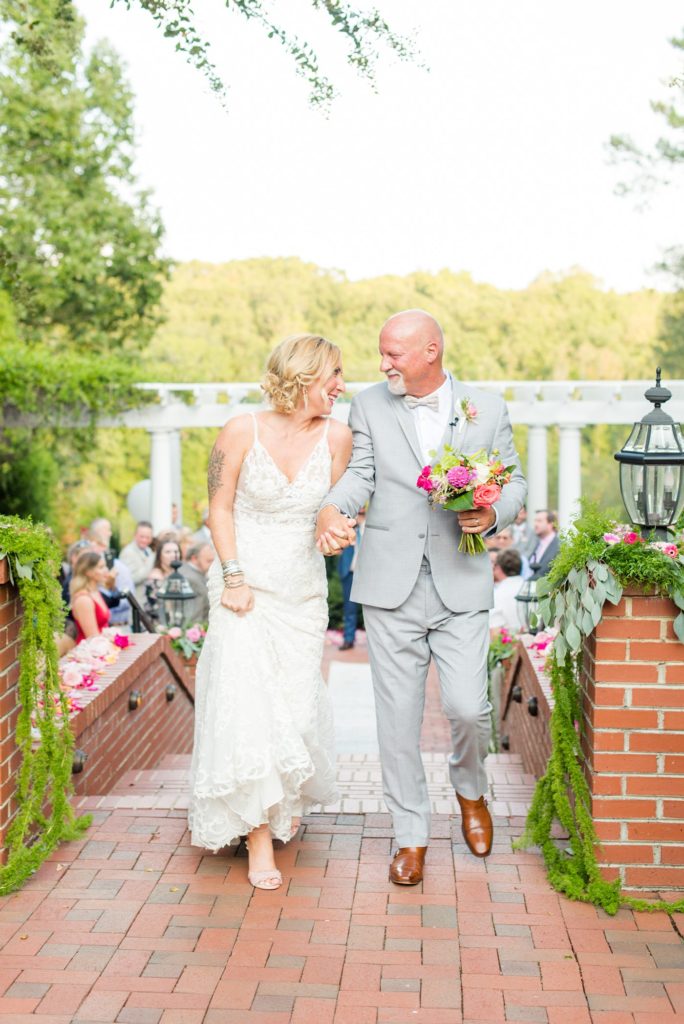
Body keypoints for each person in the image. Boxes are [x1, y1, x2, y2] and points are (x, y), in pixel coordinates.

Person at [316, 309, 526, 883]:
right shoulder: (368, 405)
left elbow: (513, 481)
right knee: (397, 720)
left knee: (467, 707)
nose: (383, 363)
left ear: (431, 351)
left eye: (395, 354)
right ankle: (410, 835)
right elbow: (362, 473)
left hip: (461, 580)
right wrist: (335, 505)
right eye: (382, 352)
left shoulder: (488, 406)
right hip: (390, 583)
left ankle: (471, 790)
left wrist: (493, 511)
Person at [188, 333, 352, 890]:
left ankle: (276, 802)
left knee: (297, 709)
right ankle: (259, 837)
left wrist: (335, 532)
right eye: (333, 373)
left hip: (302, 593)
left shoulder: (339, 436)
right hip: (243, 585)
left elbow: (334, 511)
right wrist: (233, 575)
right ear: (303, 375)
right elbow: (218, 507)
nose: (341, 385)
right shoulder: (241, 430)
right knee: (248, 704)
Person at [337, 507, 365, 650]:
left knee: (374, 612)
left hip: (368, 575)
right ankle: (348, 639)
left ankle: (377, 644)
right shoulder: (350, 527)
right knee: (349, 609)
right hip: (350, 573)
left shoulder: (371, 530)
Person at [70, 550, 111, 643]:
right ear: (88, 572)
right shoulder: (83, 599)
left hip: (103, 646)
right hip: (91, 652)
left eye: (105, 566)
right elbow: (93, 637)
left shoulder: (95, 592)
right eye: (101, 567)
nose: (106, 570)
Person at [145, 538, 181, 624]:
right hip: (159, 625)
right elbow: (156, 608)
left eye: (176, 551)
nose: (173, 555)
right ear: (159, 555)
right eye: (168, 552)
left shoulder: (178, 574)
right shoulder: (155, 578)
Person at [490, 548, 524, 635]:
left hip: (510, 644)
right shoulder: (533, 588)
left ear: (498, 568)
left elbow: (495, 632)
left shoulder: (496, 595)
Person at [120, 521, 155, 604]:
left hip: (147, 600)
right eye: (141, 536)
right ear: (135, 535)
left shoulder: (148, 550)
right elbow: (130, 579)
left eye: (148, 537)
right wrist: (150, 565)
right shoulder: (128, 552)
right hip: (135, 602)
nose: (144, 540)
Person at [179, 542, 214, 624]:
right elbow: (194, 616)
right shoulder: (191, 579)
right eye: (209, 561)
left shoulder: (191, 572)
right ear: (194, 558)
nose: (212, 565)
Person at [528, 509, 560, 581]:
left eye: (539, 521)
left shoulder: (559, 546)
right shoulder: (535, 543)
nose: (535, 524)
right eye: (535, 521)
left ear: (551, 524)